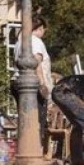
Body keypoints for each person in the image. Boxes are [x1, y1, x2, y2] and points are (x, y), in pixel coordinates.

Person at [13, 15, 51, 151]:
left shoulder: (19, 41)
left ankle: (23, 147)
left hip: (17, 82)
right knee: (37, 119)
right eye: (44, 30)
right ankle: (35, 149)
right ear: (39, 29)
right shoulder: (35, 41)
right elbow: (35, 62)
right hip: (32, 84)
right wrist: (42, 84)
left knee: (24, 118)